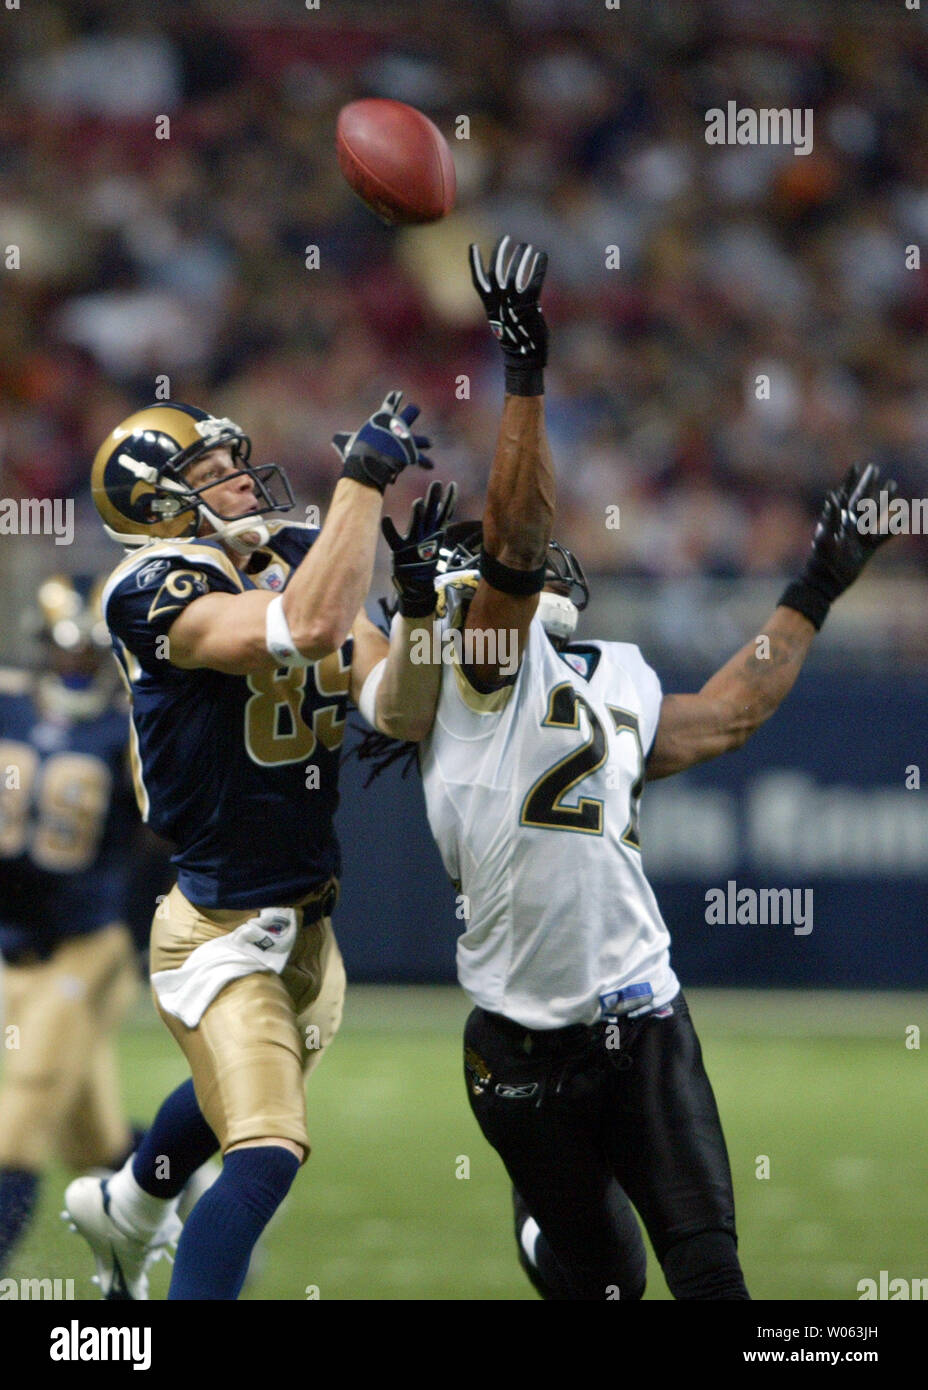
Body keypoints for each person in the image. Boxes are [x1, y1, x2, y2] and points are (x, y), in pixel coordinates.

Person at [358, 235, 898, 1300]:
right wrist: (522, 371)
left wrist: (818, 583)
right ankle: (548, 1238)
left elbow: (730, 715)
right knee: (603, 1282)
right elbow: (514, 542)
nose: (543, 568)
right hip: (516, 1044)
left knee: (712, 1278)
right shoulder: (474, 670)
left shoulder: (609, 671)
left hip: (642, 1015)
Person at [64, 391, 444, 1299]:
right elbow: (302, 630)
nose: (237, 476)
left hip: (311, 918)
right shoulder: (150, 587)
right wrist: (363, 482)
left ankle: (127, 1204)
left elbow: (399, 709)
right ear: (156, 503)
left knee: (224, 1092)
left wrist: (422, 610)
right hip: (218, 926)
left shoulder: (290, 555)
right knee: (266, 1154)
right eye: (207, 470)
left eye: (232, 458)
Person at [0, 576, 142, 1275]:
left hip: (87, 946)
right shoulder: (8, 709)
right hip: (12, 947)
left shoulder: (131, 727)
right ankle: (182, 1187)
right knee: (92, 1139)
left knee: (19, 1116)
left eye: (89, 652)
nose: (77, 665)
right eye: (66, 651)